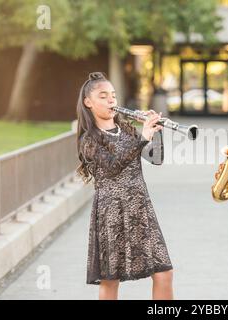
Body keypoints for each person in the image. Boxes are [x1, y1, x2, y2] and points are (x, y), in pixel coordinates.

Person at [76, 72, 173, 300]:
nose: (111, 101)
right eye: (103, 96)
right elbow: (112, 166)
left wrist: (155, 133)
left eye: (113, 95)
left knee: (164, 274)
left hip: (140, 210)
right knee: (110, 282)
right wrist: (143, 136)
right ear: (88, 102)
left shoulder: (127, 130)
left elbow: (156, 159)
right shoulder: (88, 139)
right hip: (111, 213)